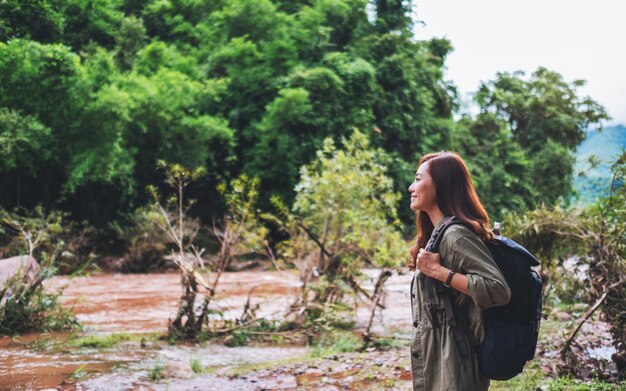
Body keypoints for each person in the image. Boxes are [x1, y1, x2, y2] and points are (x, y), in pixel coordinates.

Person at [407, 151, 511, 390]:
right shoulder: (438, 233)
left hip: (456, 361)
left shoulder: (456, 236)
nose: (411, 187)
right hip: (439, 357)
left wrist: (439, 272)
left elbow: (498, 289)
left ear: (441, 186)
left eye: (418, 179)